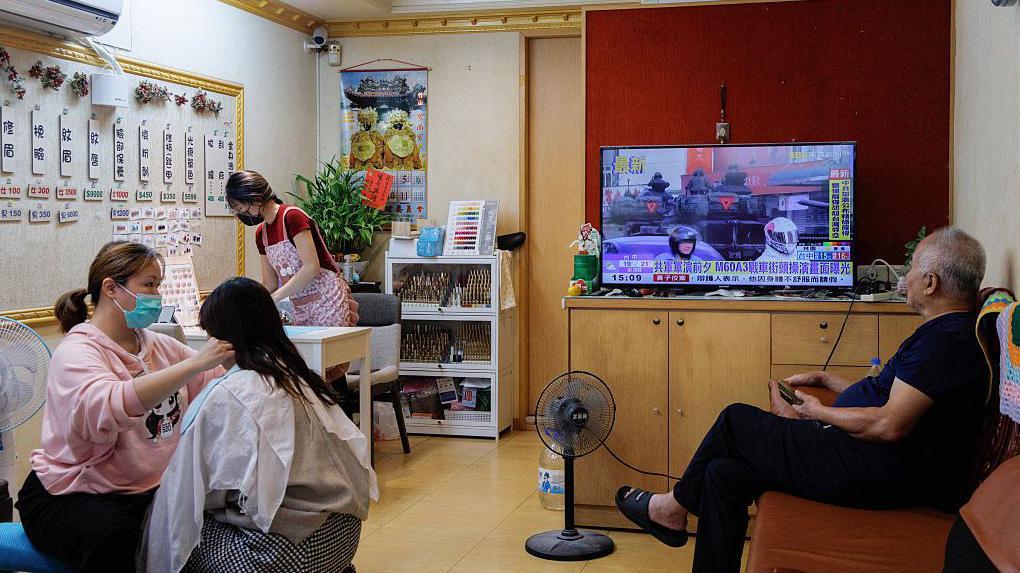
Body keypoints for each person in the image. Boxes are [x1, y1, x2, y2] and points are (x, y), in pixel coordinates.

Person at [616, 227, 989, 573]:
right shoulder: (946, 334)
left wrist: (817, 412)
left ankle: (671, 508)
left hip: (880, 470)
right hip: (870, 458)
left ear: (930, 283)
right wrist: (829, 381)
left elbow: (888, 424)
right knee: (722, 474)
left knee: (735, 420)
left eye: (911, 270)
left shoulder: (945, 344)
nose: (903, 277)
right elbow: (892, 397)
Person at [16, 241, 233, 572]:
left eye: (158, 285)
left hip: (144, 488)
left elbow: (217, 382)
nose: (157, 295)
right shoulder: (77, 352)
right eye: (148, 284)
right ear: (110, 288)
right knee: (120, 539)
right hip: (73, 492)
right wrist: (195, 365)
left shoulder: (158, 345)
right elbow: (110, 404)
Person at [143, 277, 378, 573]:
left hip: (285, 552)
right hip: (341, 538)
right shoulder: (301, 378)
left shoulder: (232, 393)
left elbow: (193, 491)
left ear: (222, 338)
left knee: (183, 537)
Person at [226, 170, 358, 330]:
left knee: (328, 353)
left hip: (328, 300)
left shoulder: (293, 217)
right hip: (300, 305)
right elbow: (270, 283)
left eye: (241, 208)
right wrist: (250, 301)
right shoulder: (262, 234)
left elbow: (311, 267)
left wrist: (275, 297)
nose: (242, 214)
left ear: (256, 198)